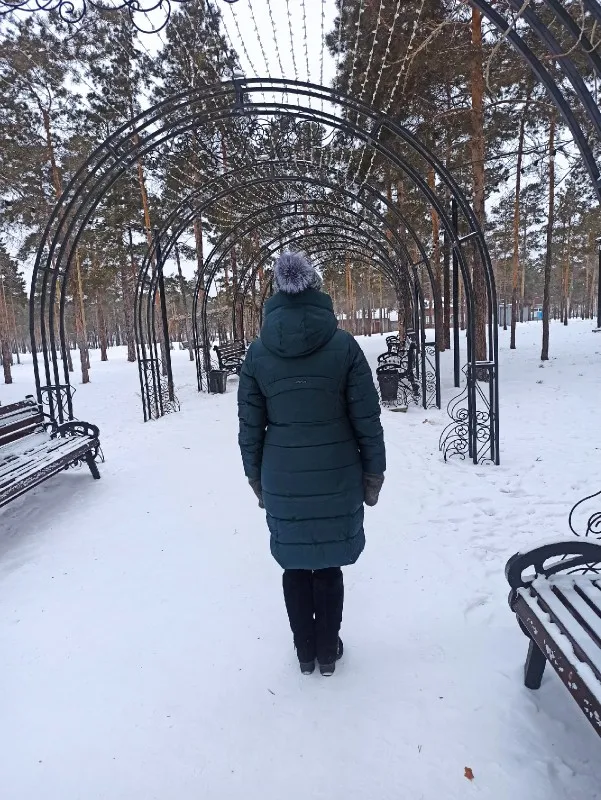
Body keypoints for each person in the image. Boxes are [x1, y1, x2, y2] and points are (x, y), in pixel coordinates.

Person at [237, 251, 386, 676]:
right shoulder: (344, 347)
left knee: (295, 562)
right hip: (337, 472)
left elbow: (250, 425)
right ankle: (327, 651)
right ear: (316, 290)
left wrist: (255, 477)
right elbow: (367, 418)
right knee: (328, 562)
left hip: (282, 475)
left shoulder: (258, 353)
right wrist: (373, 472)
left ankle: (305, 652)